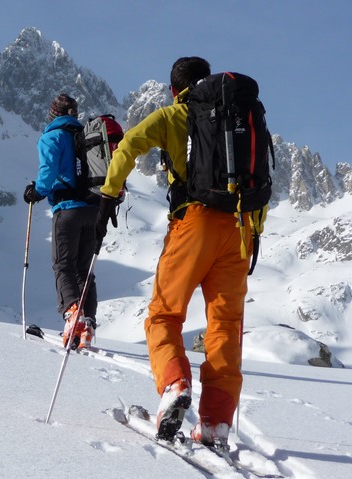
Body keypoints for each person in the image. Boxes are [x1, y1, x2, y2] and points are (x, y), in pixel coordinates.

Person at [94, 57, 252, 450]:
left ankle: (174, 384)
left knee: (164, 314)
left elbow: (128, 144)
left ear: (173, 88)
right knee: (224, 327)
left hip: (193, 222)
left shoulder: (172, 114)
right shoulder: (238, 116)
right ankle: (216, 421)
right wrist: (254, 233)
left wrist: (109, 194)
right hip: (237, 227)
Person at [23, 93, 98, 350]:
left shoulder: (52, 136)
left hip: (67, 210)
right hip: (93, 209)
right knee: (84, 270)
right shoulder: (87, 137)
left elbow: (48, 171)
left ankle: (72, 314)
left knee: (63, 265)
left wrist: (37, 192)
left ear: (53, 115)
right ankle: (87, 324)